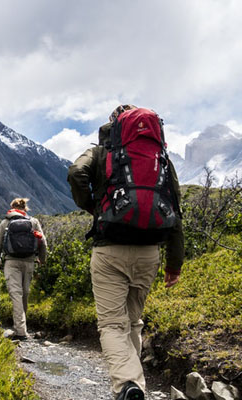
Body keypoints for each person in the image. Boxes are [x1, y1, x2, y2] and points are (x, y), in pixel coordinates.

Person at [67, 105, 184, 400]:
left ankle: (127, 385)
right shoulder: (162, 159)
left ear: (115, 125)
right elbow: (175, 209)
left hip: (110, 250)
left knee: (111, 324)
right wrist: (174, 264)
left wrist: (94, 207)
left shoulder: (103, 152)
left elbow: (75, 173)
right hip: (150, 252)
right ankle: (136, 387)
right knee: (133, 320)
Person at [0, 197, 47, 341]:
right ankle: (22, 327)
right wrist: (42, 259)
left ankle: (21, 331)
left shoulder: (5, 222)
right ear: (25, 208)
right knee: (25, 294)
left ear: (12, 208)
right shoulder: (33, 221)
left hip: (11, 262)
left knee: (16, 294)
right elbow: (43, 242)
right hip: (29, 262)